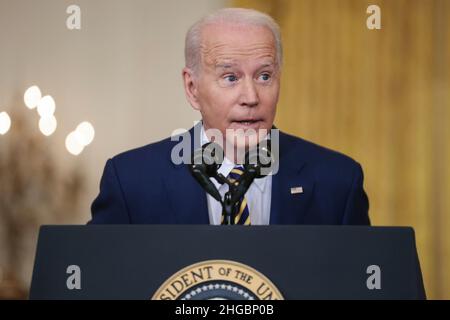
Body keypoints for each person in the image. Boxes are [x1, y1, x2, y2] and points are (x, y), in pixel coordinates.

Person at [89, 8, 370, 225]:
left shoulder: (338, 182)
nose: (251, 97)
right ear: (192, 88)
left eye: (264, 76)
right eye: (230, 77)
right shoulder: (132, 182)